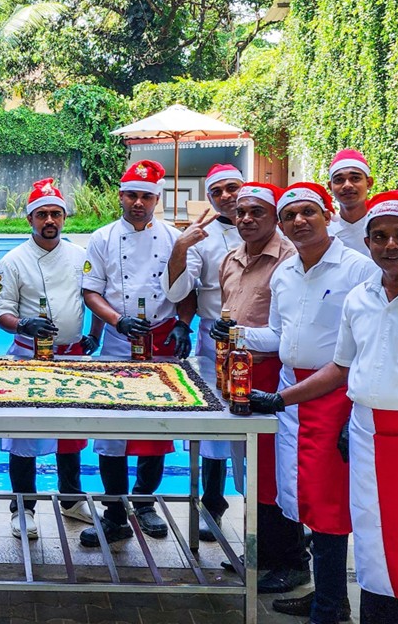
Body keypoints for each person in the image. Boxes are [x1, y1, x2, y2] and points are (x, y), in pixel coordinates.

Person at [250, 187, 398, 624]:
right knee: (374, 549)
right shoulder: (362, 297)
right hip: (366, 438)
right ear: (368, 241)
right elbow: (341, 368)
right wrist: (278, 399)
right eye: (380, 236)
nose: (391, 245)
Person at [234, 184, 376, 622]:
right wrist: (235, 334)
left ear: (327, 214)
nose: (299, 221)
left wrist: (352, 411)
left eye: (308, 212)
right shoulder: (285, 273)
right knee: (303, 499)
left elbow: (364, 349)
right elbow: (279, 337)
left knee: (331, 506)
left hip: (335, 395)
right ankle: (322, 593)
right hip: (290, 394)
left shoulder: (358, 269)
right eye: (290, 214)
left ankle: (331, 606)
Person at [80, 159, 193, 547]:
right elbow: (90, 291)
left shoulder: (174, 238)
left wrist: (182, 323)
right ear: (121, 196)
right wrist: (117, 321)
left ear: (156, 200)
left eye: (146, 196)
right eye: (132, 194)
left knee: (155, 428)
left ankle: (144, 502)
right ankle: (114, 513)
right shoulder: (101, 237)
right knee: (111, 432)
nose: (139, 202)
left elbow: (186, 291)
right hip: (117, 340)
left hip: (160, 340)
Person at [206, 182, 306, 594]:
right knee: (249, 469)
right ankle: (265, 551)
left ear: (275, 218)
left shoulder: (290, 260)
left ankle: (293, 560)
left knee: (278, 472)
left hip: (276, 378)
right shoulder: (230, 259)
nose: (246, 219)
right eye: (241, 212)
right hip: (237, 372)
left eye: (257, 213)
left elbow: (288, 332)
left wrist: (242, 336)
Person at [0, 178, 102, 539]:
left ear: (65, 217)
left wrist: (95, 336)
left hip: (71, 357)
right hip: (29, 357)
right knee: (24, 435)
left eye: (55, 213)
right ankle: (22, 507)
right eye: (42, 214)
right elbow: (1, 312)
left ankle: (71, 499)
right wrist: (24, 323)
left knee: (70, 433)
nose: (49, 220)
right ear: (30, 219)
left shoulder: (80, 257)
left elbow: (95, 296)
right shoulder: (13, 261)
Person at [161, 163, 245, 540]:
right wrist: (181, 245)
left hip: (264, 341)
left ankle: (267, 510)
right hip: (215, 341)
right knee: (214, 426)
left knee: (261, 428)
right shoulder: (202, 237)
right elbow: (179, 292)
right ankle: (213, 502)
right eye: (218, 192)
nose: (226, 196)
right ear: (208, 198)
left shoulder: (270, 227)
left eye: (233, 188)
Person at [325, 149, 373, 256]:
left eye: (355, 178)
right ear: (330, 187)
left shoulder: (382, 224)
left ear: (369, 183)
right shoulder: (325, 230)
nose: (347, 185)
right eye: (339, 180)